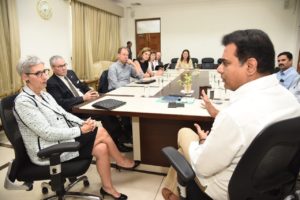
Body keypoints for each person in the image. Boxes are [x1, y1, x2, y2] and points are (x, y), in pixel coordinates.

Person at [162, 29, 300, 200]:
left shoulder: (234, 115)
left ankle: (173, 195)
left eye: (225, 63)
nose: (219, 69)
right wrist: (217, 114)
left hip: (223, 191)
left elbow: (201, 166)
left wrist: (204, 141)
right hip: (270, 189)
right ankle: (173, 195)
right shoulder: (291, 101)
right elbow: (253, 123)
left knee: (184, 135)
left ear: (250, 66)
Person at [14, 55, 140, 200]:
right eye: (38, 73)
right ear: (25, 77)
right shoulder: (24, 102)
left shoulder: (44, 94)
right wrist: (80, 130)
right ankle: (121, 161)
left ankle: (107, 188)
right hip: (48, 150)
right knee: (101, 131)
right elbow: (47, 133)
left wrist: (83, 123)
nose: (45, 77)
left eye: (45, 71)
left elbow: (64, 114)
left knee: (102, 148)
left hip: (61, 140)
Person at [47, 55, 132, 152]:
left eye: (64, 65)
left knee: (112, 107)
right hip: (75, 109)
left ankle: (124, 136)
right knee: (105, 114)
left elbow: (82, 86)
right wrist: (82, 98)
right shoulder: (52, 83)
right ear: (53, 68)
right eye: (60, 66)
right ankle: (117, 143)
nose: (64, 68)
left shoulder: (70, 73)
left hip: (87, 101)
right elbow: (61, 103)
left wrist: (91, 91)